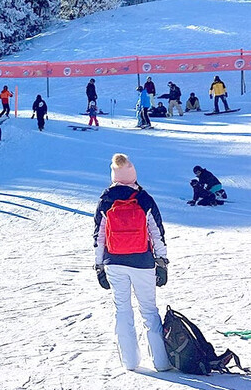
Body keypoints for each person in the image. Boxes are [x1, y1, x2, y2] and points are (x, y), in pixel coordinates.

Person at [93, 153, 170, 372]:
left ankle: (130, 361)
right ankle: (161, 362)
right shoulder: (144, 198)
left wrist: (99, 266)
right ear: (133, 174)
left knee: (123, 310)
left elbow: (98, 236)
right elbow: (157, 233)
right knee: (148, 310)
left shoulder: (106, 199)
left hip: (114, 261)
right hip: (142, 261)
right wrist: (162, 261)